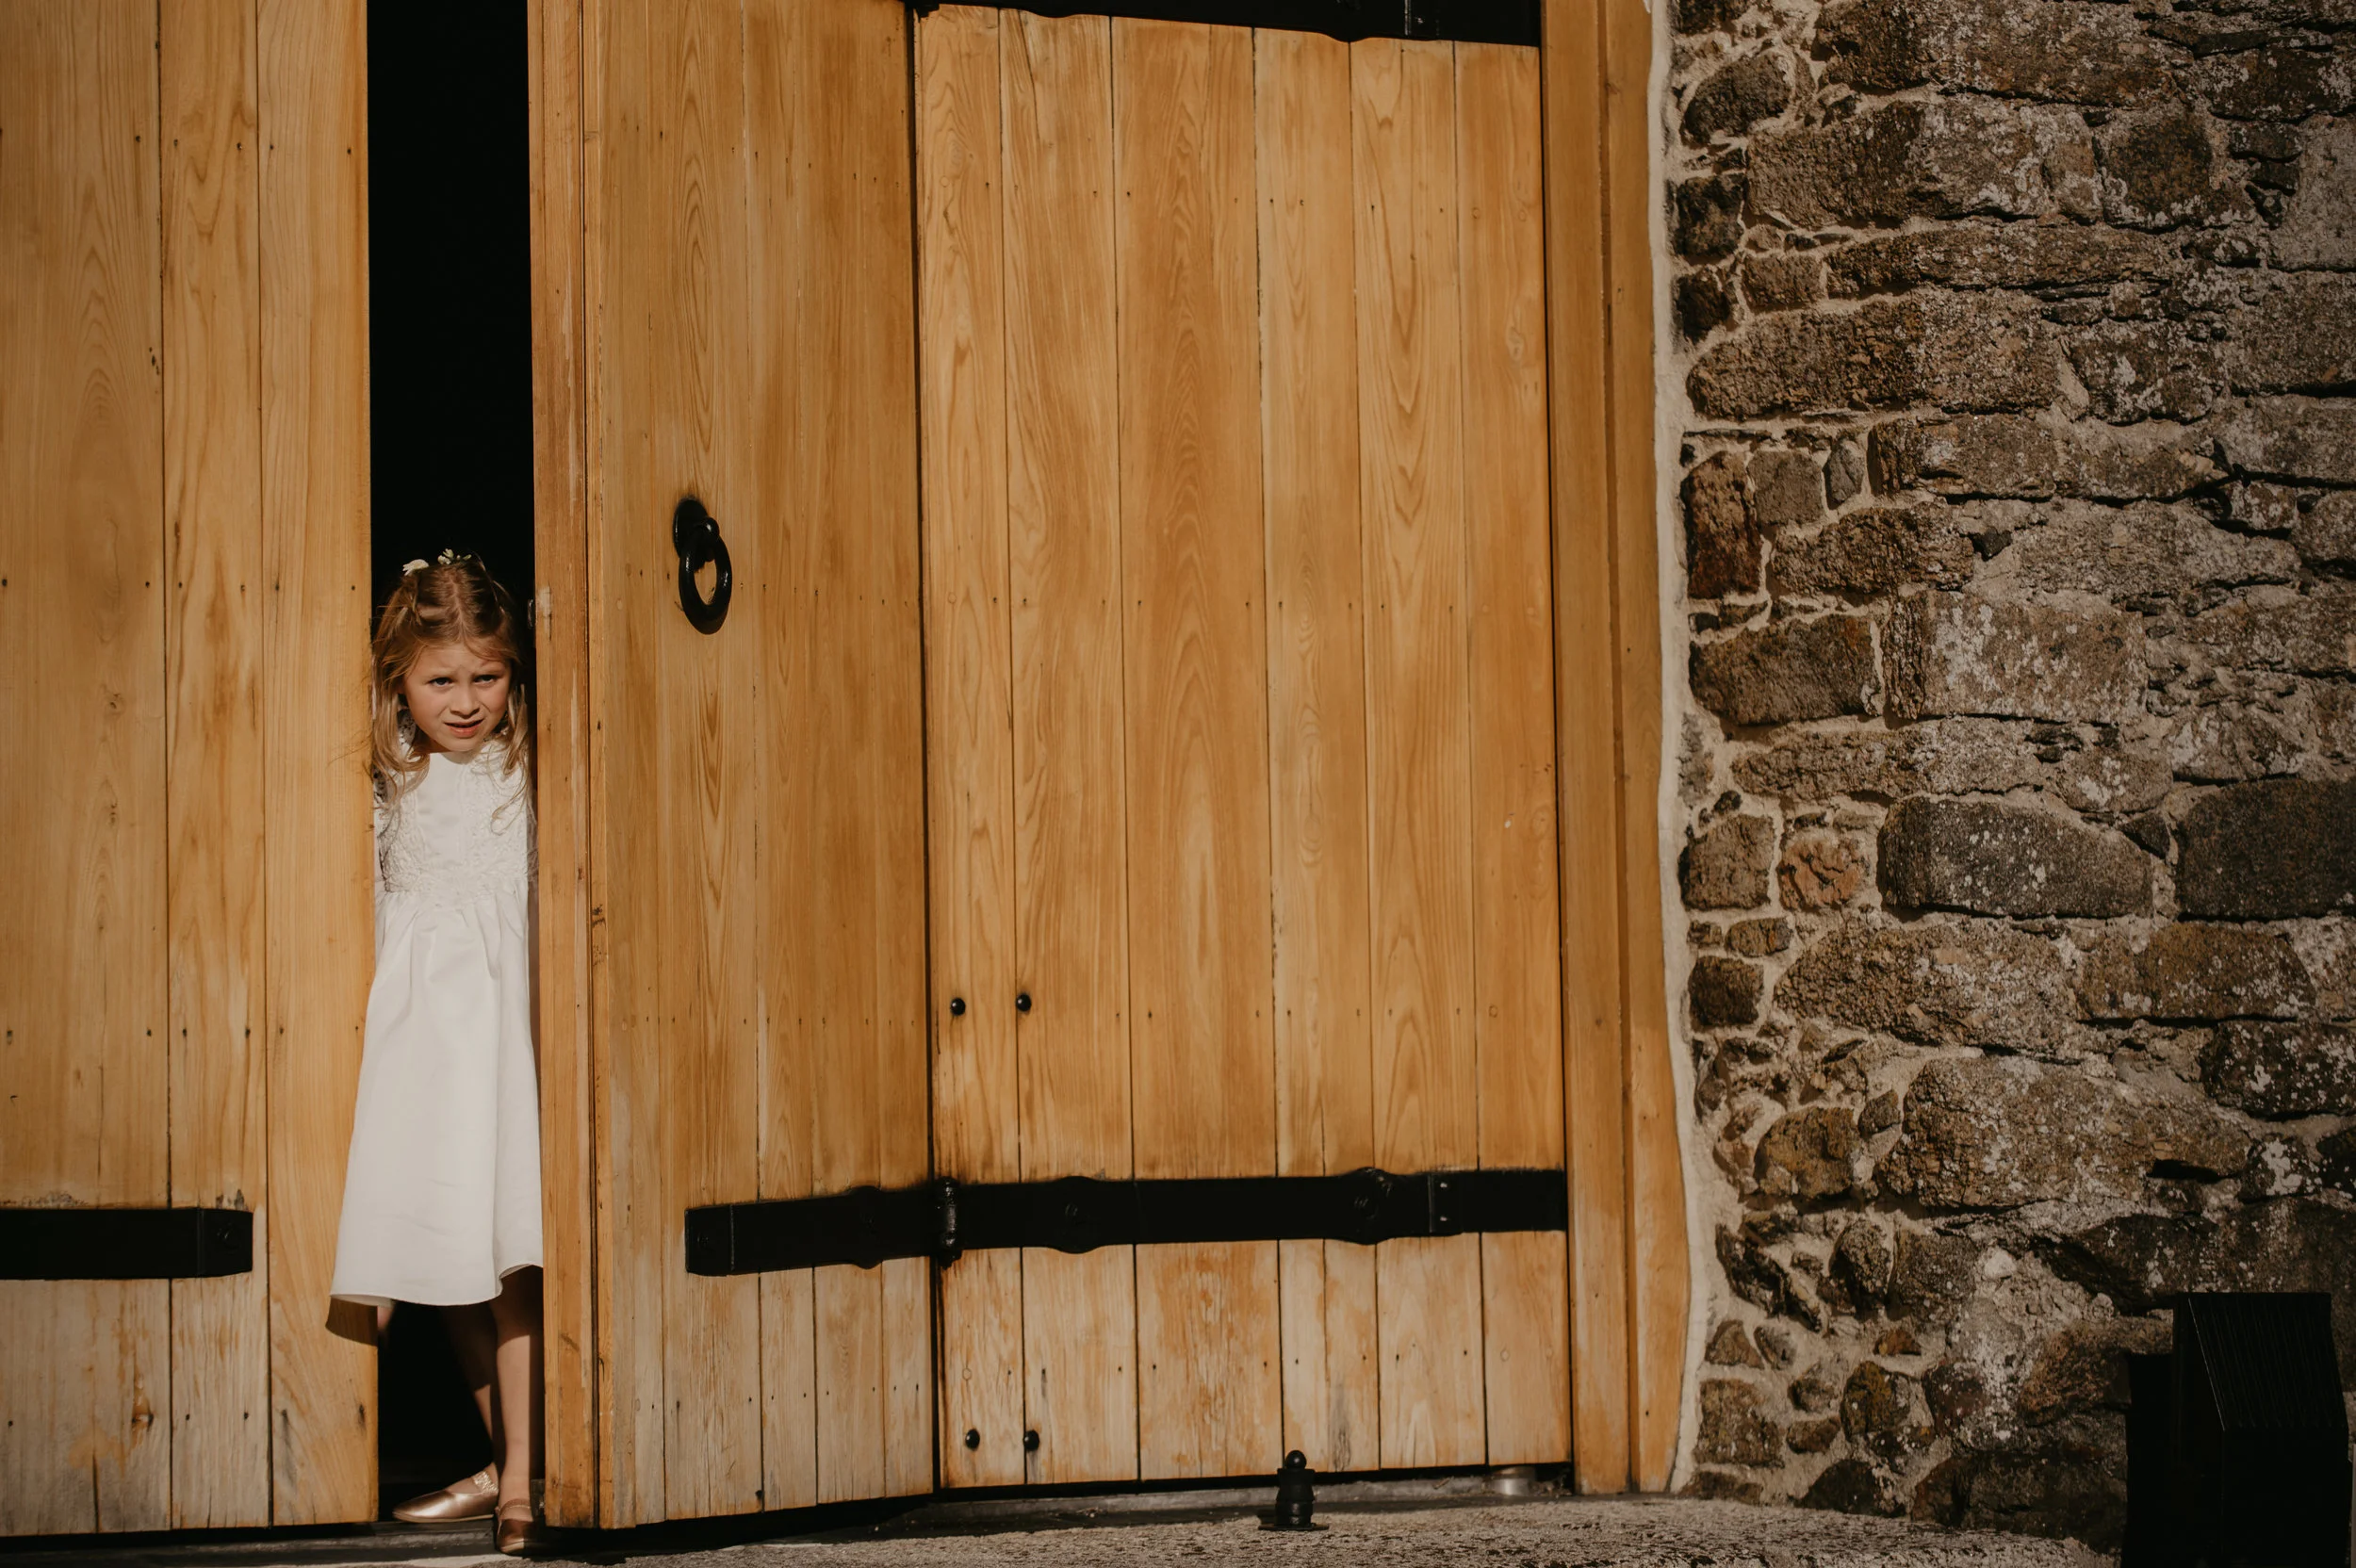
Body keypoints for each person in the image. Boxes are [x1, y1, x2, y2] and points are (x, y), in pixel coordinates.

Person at [330, 551, 548, 1556]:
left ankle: (527, 1478)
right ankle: (497, 1456)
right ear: (398, 680)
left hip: (505, 1034)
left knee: (509, 1254)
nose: (466, 701)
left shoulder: (529, 769)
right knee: (442, 1250)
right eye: (441, 679)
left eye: (487, 675)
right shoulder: (385, 777)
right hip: (420, 1037)